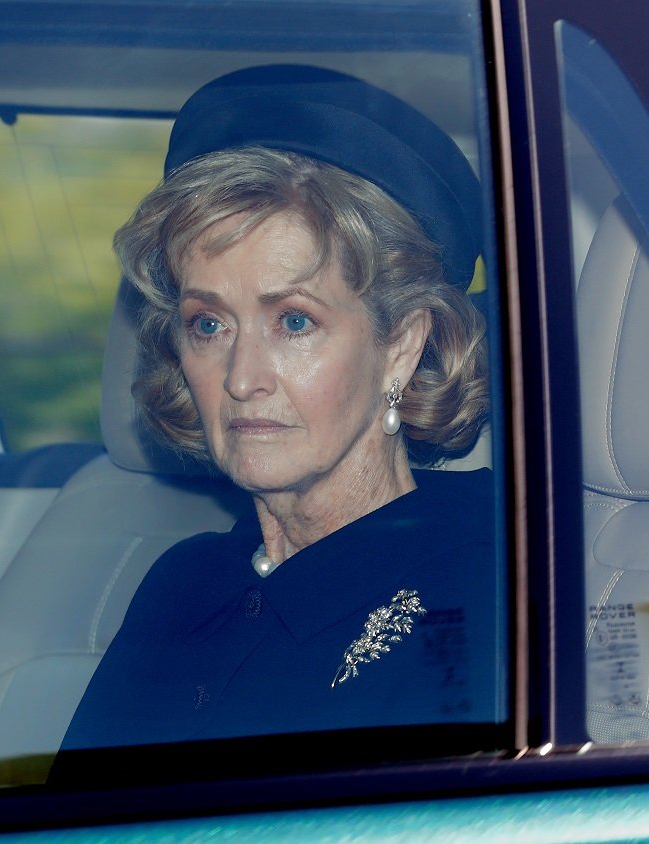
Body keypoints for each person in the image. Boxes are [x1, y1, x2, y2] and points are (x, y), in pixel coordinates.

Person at [59, 64, 499, 749]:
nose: (241, 378)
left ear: (401, 346)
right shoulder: (183, 585)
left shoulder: (491, 577)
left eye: (293, 322)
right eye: (209, 324)